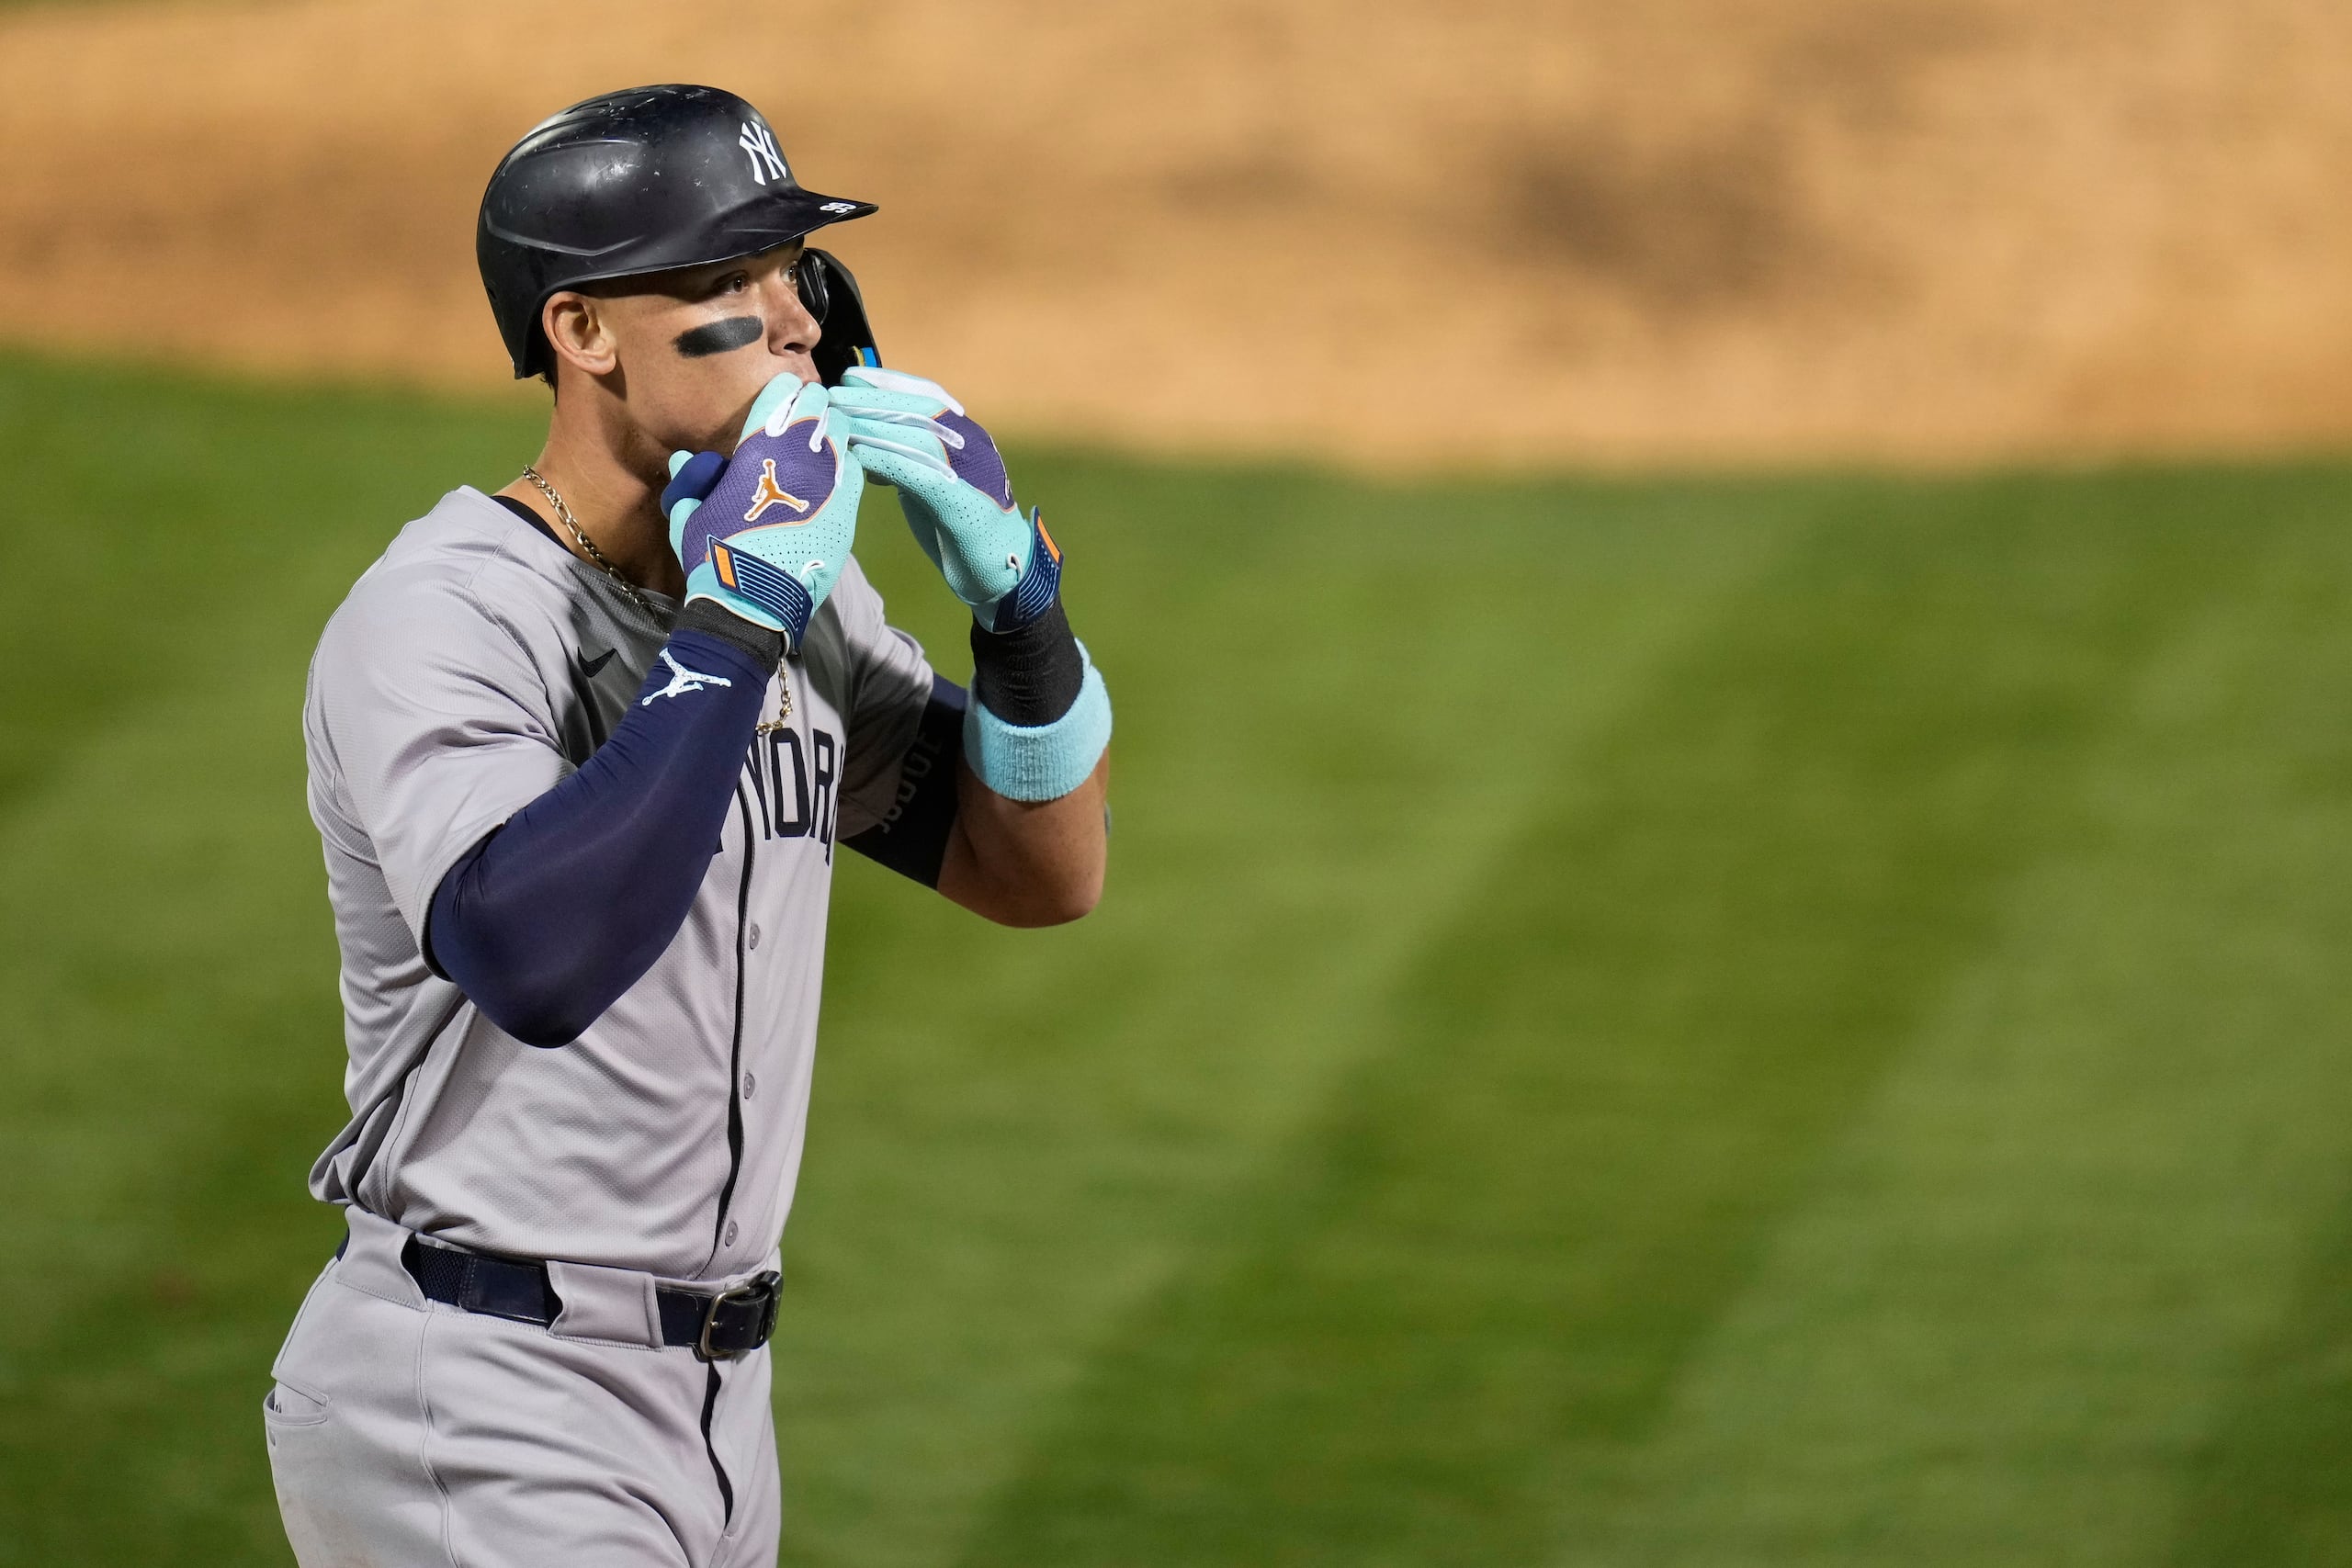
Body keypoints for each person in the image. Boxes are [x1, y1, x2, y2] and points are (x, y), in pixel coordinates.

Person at [262, 83, 1111, 1567]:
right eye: (726, 282)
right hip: (481, 1389)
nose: (789, 320)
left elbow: (1034, 870)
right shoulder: (449, 614)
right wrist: (733, 624)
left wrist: (1020, 608)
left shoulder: (793, 590)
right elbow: (532, 956)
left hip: (716, 1408)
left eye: (791, 270)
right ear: (583, 332)